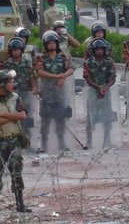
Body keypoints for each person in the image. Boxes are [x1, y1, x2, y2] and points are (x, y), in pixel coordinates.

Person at [35, 30, 75, 152]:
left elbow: (71, 69)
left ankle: (62, 144)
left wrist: (62, 75)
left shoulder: (62, 57)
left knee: (60, 120)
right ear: (45, 45)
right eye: (49, 43)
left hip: (60, 94)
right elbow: (40, 72)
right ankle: (44, 145)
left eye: (53, 43)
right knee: (45, 121)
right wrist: (56, 77)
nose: (51, 45)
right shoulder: (41, 58)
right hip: (46, 94)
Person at [0, 70, 32, 212]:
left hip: (14, 140)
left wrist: (4, 115)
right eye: (10, 82)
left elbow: (23, 115)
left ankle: (21, 204)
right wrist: (14, 116)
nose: (13, 84)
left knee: (16, 173)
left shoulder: (16, 97)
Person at [83, 38, 117, 149]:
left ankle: (107, 141)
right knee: (91, 117)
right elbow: (88, 79)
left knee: (107, 116)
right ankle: (90, 142)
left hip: (106, 90)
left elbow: (113, 78)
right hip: (93, 90)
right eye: (97, 49)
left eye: (101, 49)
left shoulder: (109, 62)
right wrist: (98, 88)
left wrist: (105, 88)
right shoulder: (88, 63)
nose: (99, 51)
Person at [3, 38, 38, 143]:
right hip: (13, 94)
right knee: (14, 117)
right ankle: (16, 141)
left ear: (21, 50)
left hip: (26, 92)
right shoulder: (7, 64)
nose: (15, 52)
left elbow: (31, 76)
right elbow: (5, 80)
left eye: (17, 50)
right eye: (13, 50)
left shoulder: (27, 62)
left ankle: (28, 142)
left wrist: (34, 87)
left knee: (28, 118)